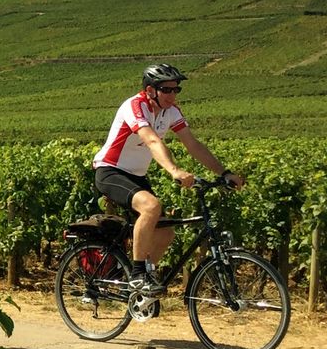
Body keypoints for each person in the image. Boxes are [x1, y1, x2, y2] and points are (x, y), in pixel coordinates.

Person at [92, 63, 245, 295]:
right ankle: (137, 275)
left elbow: (192, 144)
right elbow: (152, 140)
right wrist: (174, 170)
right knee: (151, 206)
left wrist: (224, 173)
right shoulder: (135, 106)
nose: (172, 95)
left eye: (176, 90)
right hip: (110, 171)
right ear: (151, 90)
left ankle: (143, 285)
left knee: (165, 232)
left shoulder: (171, 111)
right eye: (167, 90)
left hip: (136, 175)